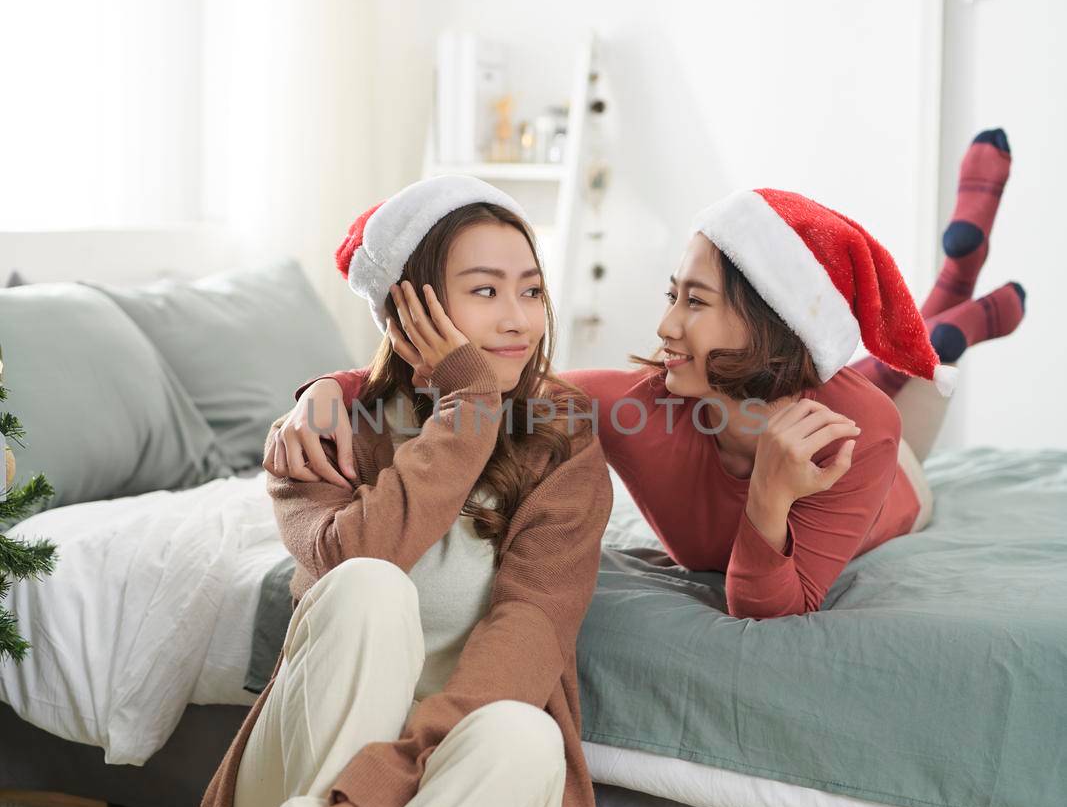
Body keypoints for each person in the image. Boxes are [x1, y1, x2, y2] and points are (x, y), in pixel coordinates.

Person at [54, 175, 676, 807]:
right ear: (411, 305)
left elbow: (531, 629)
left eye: (529, 287)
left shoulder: (563, 440)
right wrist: (462, 409)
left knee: (526, 732)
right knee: (370, 588)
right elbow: (358, 553)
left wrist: (397, 773)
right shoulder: (325, 434)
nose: (515, 317)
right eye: (482, 289)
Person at [275, 130, 1025, 620]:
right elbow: (490, 377)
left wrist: (768, 495)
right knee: (861, 373)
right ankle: (952, 302)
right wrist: (324, 392)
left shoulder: (855, 439)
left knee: (887, 397)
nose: (664, 326)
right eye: (671, 296)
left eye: (692, 302)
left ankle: (948, 309)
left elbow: (769, 606)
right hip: (795, 381)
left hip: (899, 490)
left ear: (765, 319)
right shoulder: (641, 404)